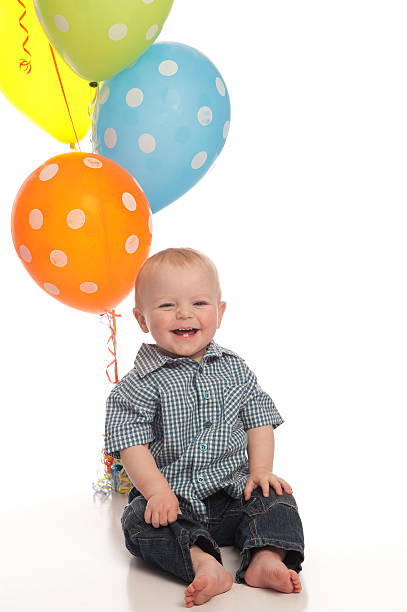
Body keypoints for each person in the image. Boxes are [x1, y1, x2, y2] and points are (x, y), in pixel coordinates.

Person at [105, 248, 304, 608]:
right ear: (141, 318)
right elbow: (130, 444)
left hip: (232, 495)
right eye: (167, 306)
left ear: (220, 312)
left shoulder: (234, 369)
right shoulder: (137, 385)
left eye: (199, 302)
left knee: (276, 497)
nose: (184, 313)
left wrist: (259, 471)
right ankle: (203, 562)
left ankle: (266, 557)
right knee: (137, 520)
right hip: (173, 500)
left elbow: (258, 419)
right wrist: (156, 492)